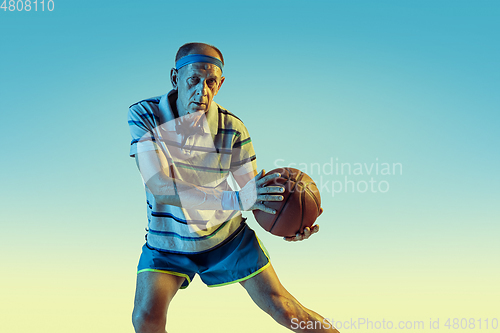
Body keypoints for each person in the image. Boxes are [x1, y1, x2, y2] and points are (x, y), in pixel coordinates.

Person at [128, 42, 340, 333]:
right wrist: (238, 198)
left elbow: (253, 197)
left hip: (227, 239)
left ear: (220, 84)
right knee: (146, 319)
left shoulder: (233, 129)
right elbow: (159, 186)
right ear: (175, 79)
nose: (202, 90)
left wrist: (291, 222)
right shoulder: (145, 115)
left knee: (285, 308)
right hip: (169, 242)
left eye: (211, 82)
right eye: (193, 80)